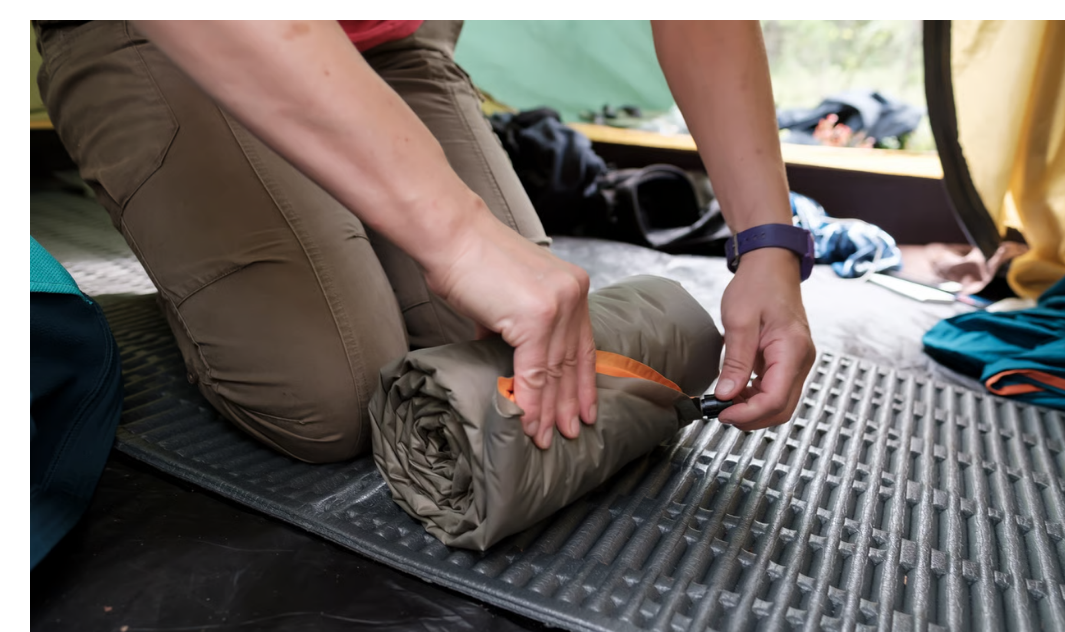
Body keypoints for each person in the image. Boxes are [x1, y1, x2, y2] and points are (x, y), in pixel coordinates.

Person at [34, 20, 816, 463]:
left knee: (514, 356)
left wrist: (771, 245)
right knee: (332, 399)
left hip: (384, 40)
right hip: (156, 29)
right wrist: (461, 237)